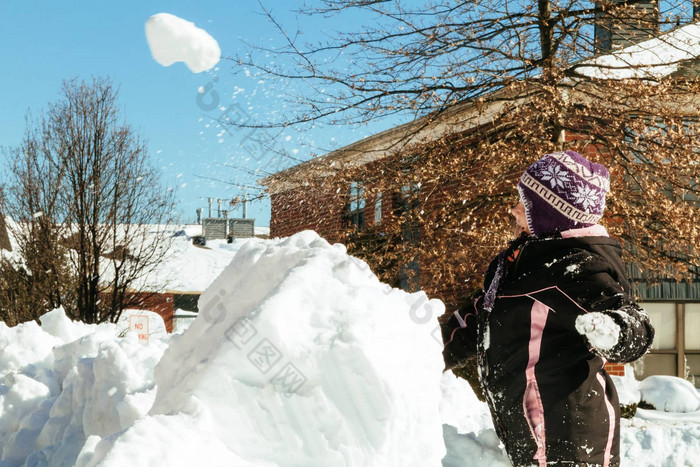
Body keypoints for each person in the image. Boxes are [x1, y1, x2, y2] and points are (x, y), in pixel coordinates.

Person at [441, 150, 654, 467]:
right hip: (529, 431)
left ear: (550, 213)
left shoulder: (580, 266)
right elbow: (477, 318)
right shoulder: (518, 263)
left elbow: (635, 323)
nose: (513, 211)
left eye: (523, 204)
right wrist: (425, 349)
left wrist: (615, 329)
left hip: (572, 441)